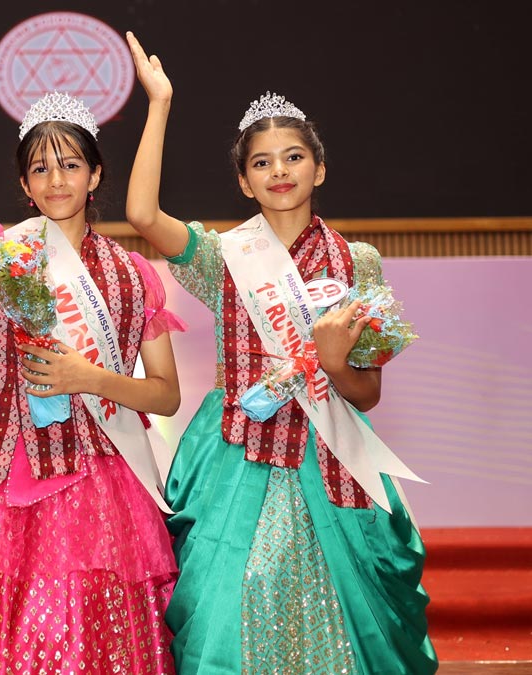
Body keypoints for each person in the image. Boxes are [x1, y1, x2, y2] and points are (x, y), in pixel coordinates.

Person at [123, 33, 438, 675]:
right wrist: (159, 105)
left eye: (294, 156)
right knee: (229, 599)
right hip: (236, 450)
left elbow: (367, 395)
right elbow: (142, 215)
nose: (280, 171)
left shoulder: (357, 262)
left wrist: (334, 361)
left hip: (331, 449)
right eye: (262, 162)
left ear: (319, 169)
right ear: (244, 181)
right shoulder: (223, 257)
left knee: (345, 609)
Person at [0, 39, 184, 674]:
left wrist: (92, 377)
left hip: (98, 472)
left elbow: (165, 393)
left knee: (85, 628)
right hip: (1, 466)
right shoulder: (0, 252)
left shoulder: (133, 274)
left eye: (71, 164)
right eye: (40, 169)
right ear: (25, 185)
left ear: (96, 174)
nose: (57, 180)